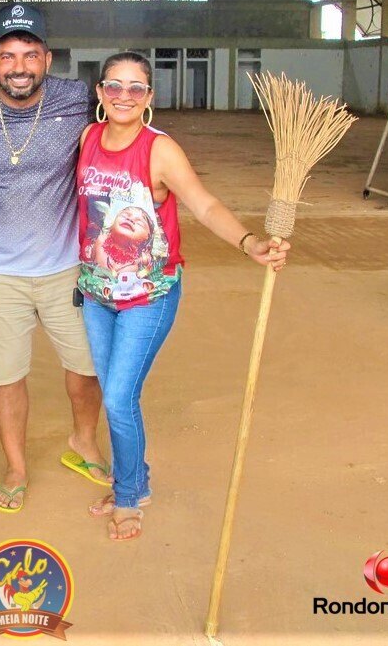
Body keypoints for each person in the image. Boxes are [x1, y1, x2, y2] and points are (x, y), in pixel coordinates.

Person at [77, 52, 289, 541]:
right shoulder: (89, 138)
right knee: (117, 399)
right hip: (95, 294)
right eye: (114, 86)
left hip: (148, 295)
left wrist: (248, 242)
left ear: (149, 97)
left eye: (136, 88)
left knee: (117, 397)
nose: (124, 96)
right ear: (100, 92)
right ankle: (137, 481)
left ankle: (129, 497)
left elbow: (205, 203)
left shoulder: (160, 150)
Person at [0, 3, 109, 513]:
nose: (20, 66)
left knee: (86, 365)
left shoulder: (79, 100)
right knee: (5, 374)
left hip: (68, 267)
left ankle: (83, 442)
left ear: (48, 58)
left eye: (31, 54)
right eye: (9, 55)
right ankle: (16, 466)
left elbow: (120, 144)